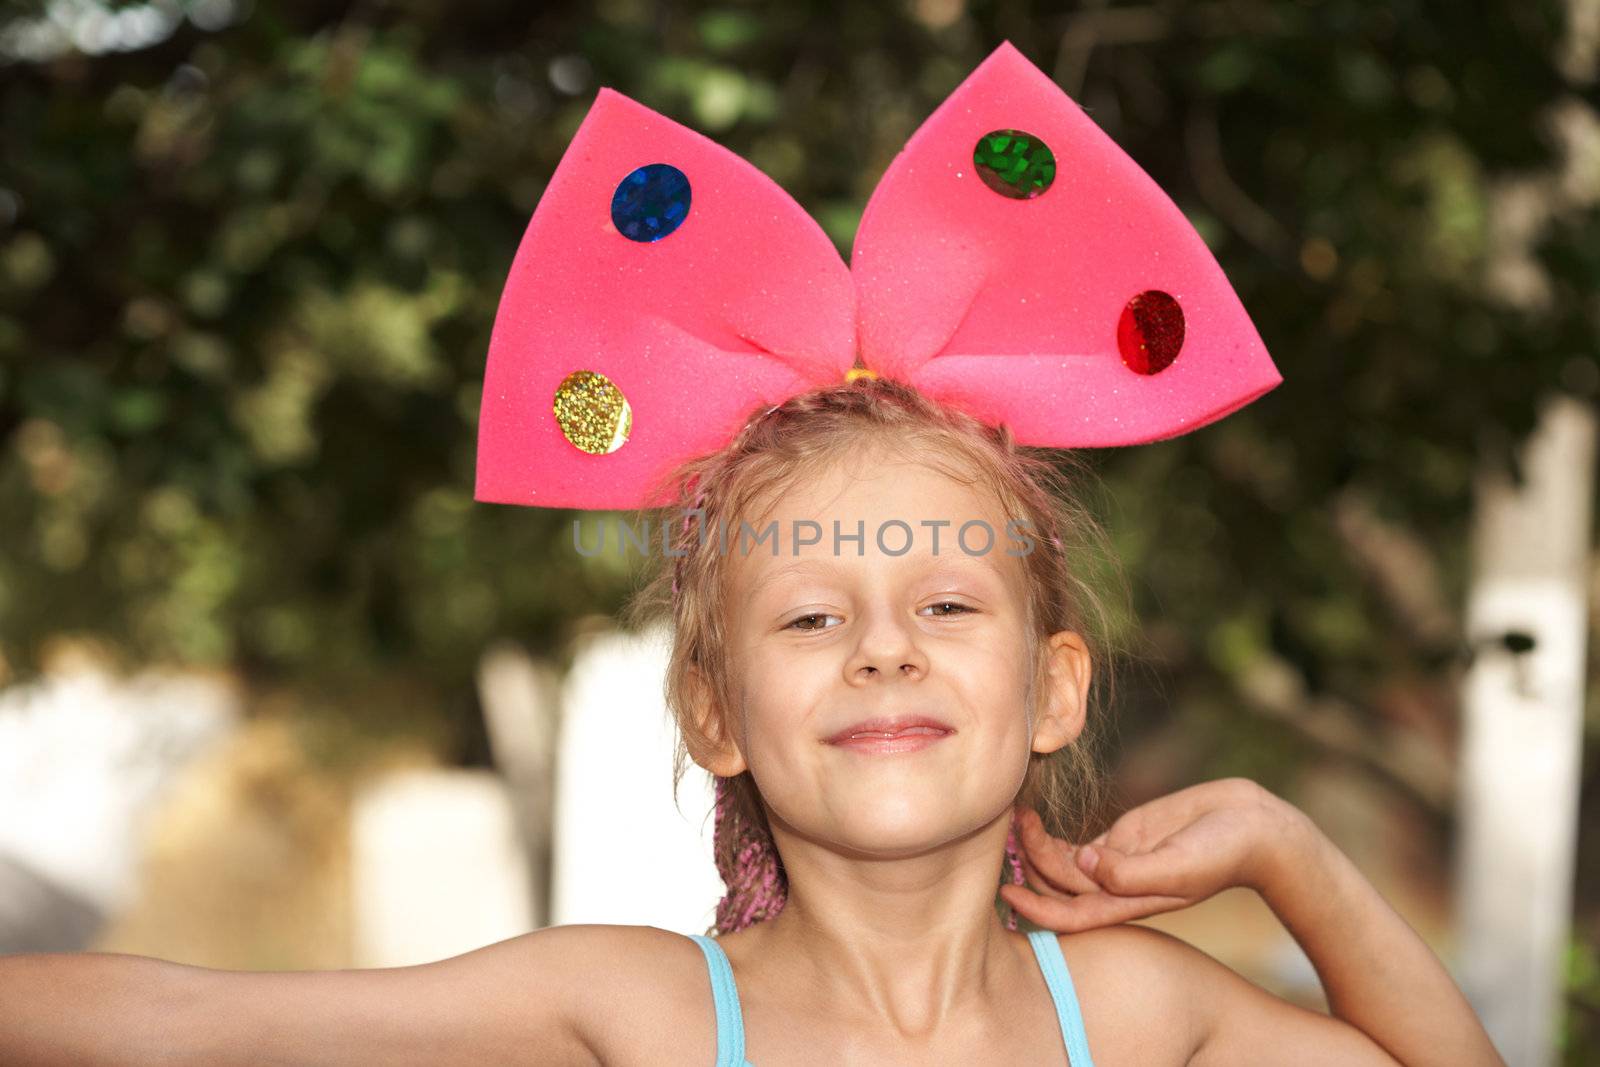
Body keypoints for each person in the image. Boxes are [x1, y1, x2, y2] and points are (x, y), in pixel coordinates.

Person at [0, 40, 1504, 1067]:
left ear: (1055, 689)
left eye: (946, 600)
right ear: (712, 711)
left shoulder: (1130, 1011)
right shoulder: (640, 1011)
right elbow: (186, 1020)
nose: (883, 648)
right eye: (806, 618)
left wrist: (1289, 855)